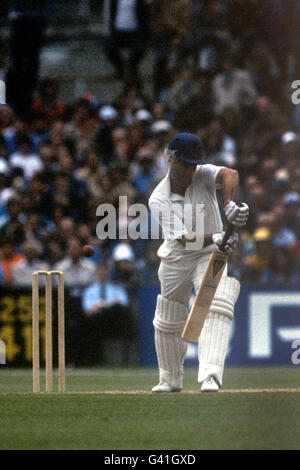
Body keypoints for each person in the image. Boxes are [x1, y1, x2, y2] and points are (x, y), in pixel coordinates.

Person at [148, 133, 249, 392]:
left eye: (194, 164)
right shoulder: (158, 199)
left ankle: (210, 375)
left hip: (209, 255)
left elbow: (230, 174)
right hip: (176, 258)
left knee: (217, 303)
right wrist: (219, 236)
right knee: (169, 317)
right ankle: (170, 379)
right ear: (170, 159)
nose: (190, 170)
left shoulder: (202, 174)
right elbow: (184, 240)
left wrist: (228, 203)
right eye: (184, 163)